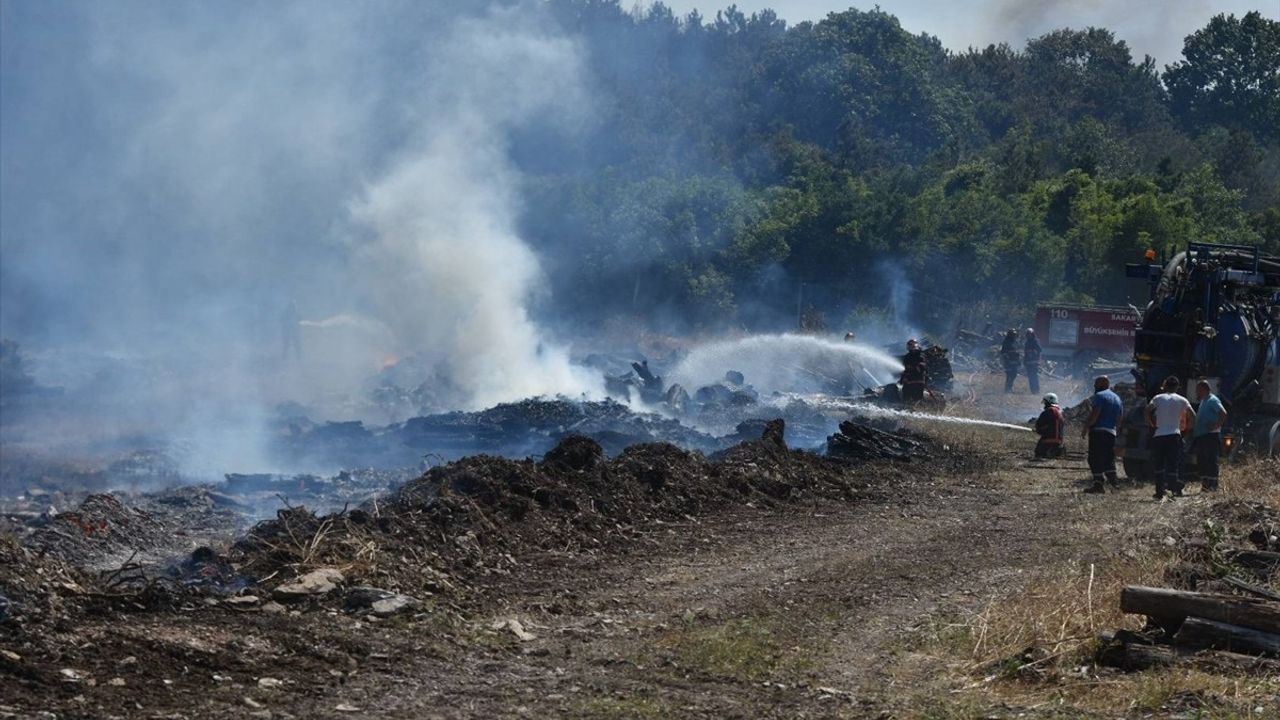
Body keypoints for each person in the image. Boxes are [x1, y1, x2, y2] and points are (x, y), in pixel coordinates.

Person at [1145, 376, 1196, 500]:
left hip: (1159, 435)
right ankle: (1173, 491)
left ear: (1165, 386)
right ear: (1177, 387)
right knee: (1173, 464)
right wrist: (1188, 429)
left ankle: (1159, 492)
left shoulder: (1158, 398)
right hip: (1174, 435)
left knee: (1159, 464)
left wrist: (1151, 424)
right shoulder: (1182, 400)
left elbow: (1147, 410)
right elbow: (1193, 415)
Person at [1081, 375, 1123, 493]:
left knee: (1094, 458)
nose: (1094, 386)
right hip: (1111, 432)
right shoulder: (1117, 398)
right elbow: (1119, 418)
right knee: (1109, 458)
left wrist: (1086, 427)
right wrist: (1117, 431)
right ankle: (1114, 483)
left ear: (1103, 383)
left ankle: (1098, 484)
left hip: (1098, 431)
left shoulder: (1099, 396)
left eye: (1096, 383)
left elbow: (1095, 415)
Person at [1192, 380, 1227, 491]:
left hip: (1210, 435)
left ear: (1204, 389)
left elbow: (1223, 413)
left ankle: (1213, 485)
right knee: (1202, 459)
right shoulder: (1204, 401)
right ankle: (1205, 484)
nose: (1196, 392)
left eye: (1198, 390)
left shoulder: (1213, 400)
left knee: (1211, 459)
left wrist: (1216, 425)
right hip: (1202, 435)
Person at [1034, 393, 1064, 458]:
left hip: (1047, 441)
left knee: (1038, 454)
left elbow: (1039, 425)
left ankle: (1047, 452)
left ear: (1048, 402)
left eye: (1045, 403)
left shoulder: (1048, 411)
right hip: (1059, 442)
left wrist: (1038, 430)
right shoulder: (1060, 412)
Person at [1000, 329, 1020, 393]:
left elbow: (1018, 350)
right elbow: (1003, 352)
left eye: (1015, 334)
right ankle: (1007, 389)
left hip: (1015, 360)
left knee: (1014, 374)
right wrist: (1007, 358)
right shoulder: (1006, 342)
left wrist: (1019, 359)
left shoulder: (1016, 342)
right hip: (1008, 361)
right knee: (1009, 375)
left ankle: (1010, 387)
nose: (1014, 336)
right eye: (1013, 334)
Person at [1023, 328, 1042, 394]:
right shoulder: (1027, 342)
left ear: (1032, 334)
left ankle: (1036, 390)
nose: (1029, 336)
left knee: (1034, 376)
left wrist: (1033, 351)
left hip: (1034, 361)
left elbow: (1040, 350)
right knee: (1030, 377)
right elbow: (1025, 352)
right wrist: (1024, 361)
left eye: (1030, 334)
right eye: (1028, 334)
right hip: (1028, 362)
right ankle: (1033, 391)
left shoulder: (1035, 341)